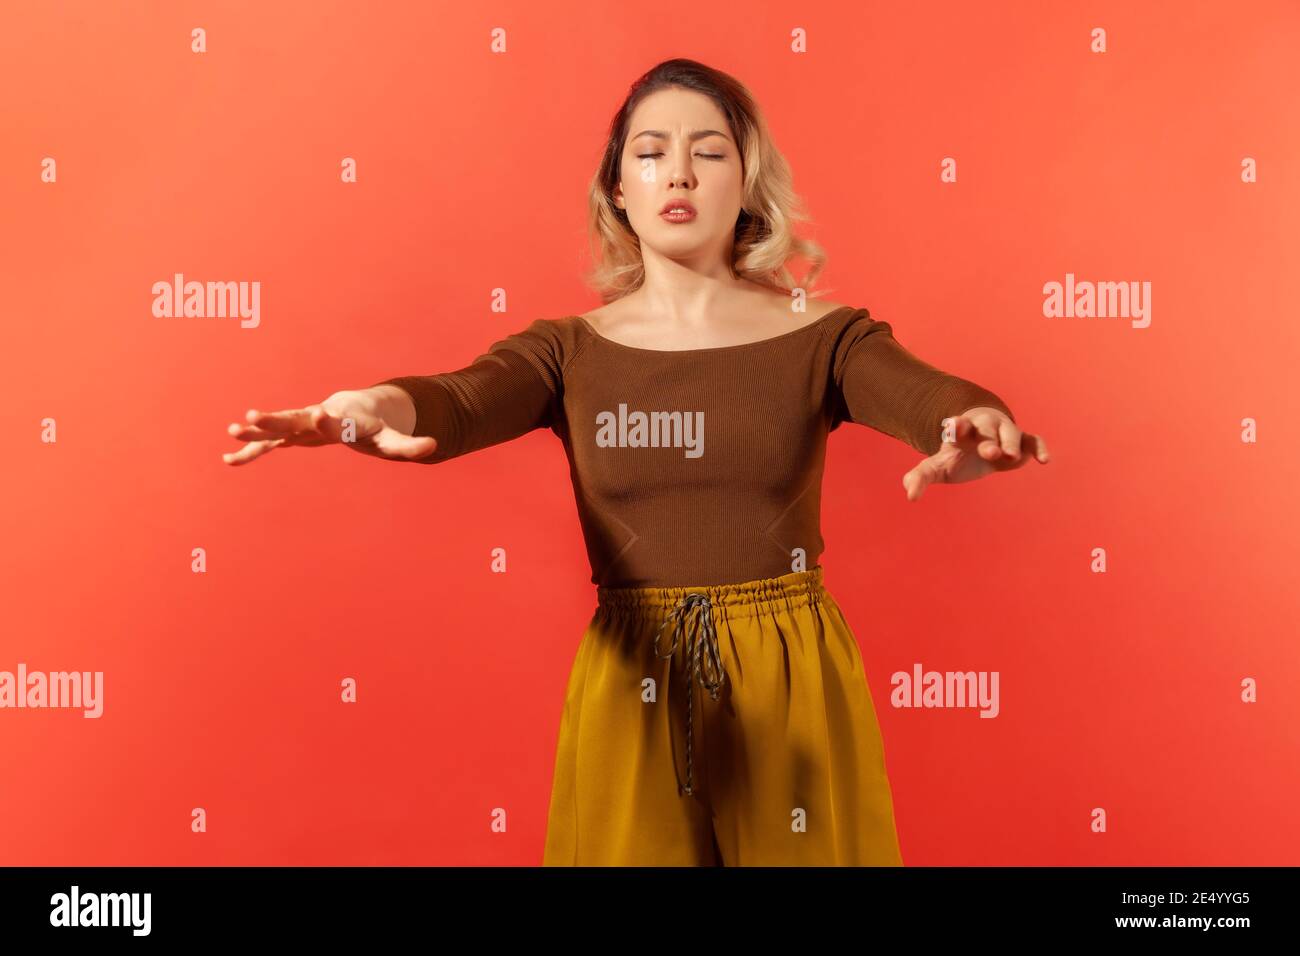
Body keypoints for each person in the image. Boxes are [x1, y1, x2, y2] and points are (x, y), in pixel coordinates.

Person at [222, 58, 1050, 866]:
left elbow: (935, 398)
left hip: (791, 675)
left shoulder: (824, 339)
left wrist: (975, 427)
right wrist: (362, 409)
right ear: (620, 188)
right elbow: (457, 400)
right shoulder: (566, 352)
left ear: (747, 182)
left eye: (710, 152)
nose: (679, 173)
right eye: (651, 153)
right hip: (632, 678)